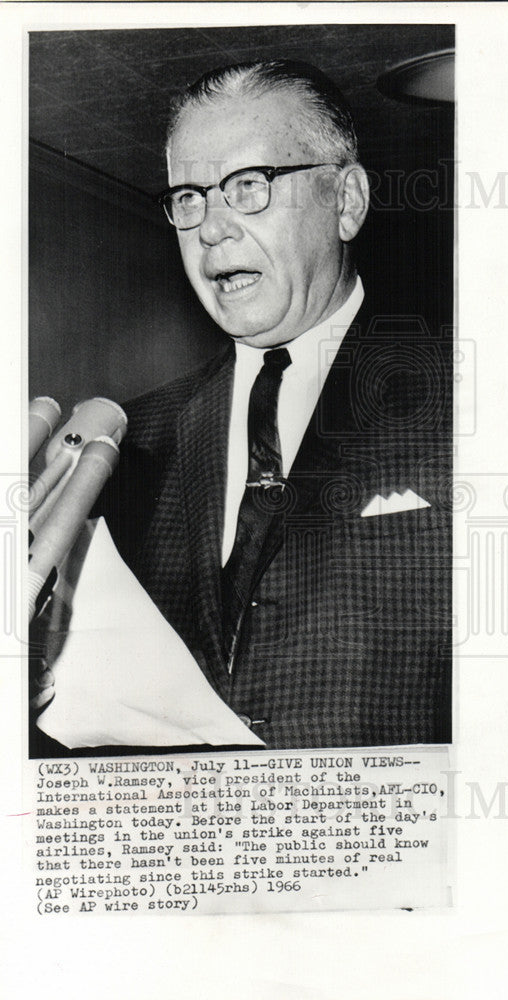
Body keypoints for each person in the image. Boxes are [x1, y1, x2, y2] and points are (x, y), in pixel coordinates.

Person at [35, 60, 451, 752]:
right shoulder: (130, 445)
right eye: (190, 198)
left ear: (346, 202)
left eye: (248, 188)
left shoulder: (484, 407)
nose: (213, 230)